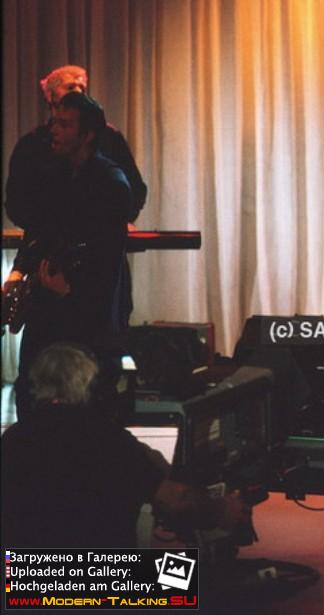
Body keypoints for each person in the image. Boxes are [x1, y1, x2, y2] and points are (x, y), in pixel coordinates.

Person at [1, 343, 248, 548]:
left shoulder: (12, 440)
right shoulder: (107, 439)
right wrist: (222, 509)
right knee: (183, 578)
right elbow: (174, 500)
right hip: (99, 578)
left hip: (24, 579)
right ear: (90, 387)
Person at [3, 92, 130, 418]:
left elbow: (107, 256)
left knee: (86, 393)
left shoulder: (110, 182)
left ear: (87, 135)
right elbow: (37, 230)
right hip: (47, 301)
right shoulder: (53, 174)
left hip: (87, 310)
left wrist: (71, 288)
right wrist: (17, 273)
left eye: (65, 124)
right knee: (31, 386)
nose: (54, 131)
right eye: (54, 122)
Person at [4, 64, 147, 331]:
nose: (79, 91)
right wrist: (21, 269)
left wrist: (120, 219)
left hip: (85, 293)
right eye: (71, 87)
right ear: (50, 97)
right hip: (49, 275)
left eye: (82, 87)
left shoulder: (109, 163)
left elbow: (133, 193)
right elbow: (28, 212)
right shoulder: (38, 150)